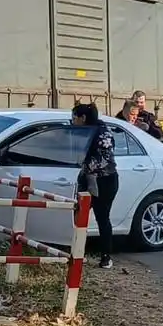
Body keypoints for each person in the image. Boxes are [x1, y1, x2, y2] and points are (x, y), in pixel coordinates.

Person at [72, 103, 118, 270]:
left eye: (74, 118)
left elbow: (104, 158)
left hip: (104, 180)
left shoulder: (102, 133)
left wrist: (83, 164)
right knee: (78, 215)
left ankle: (106, 256)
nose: (72, 122)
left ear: (83, 118)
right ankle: (78, 252)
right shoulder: (82, 132)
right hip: (87, 179)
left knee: (102, 217)